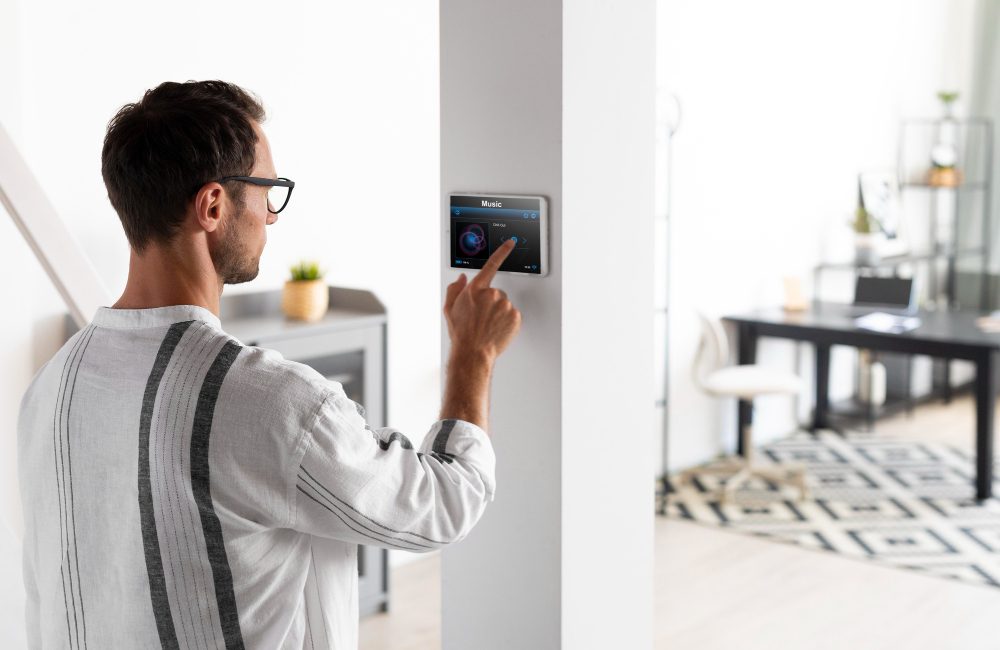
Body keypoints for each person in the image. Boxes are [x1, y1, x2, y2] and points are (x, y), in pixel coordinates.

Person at [17, 80, 521, 649]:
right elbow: (444, 502)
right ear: (213, 206)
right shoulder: (270, 402)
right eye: (267, 190)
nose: (271, 216)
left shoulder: (51, 387)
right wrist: (472, 356)